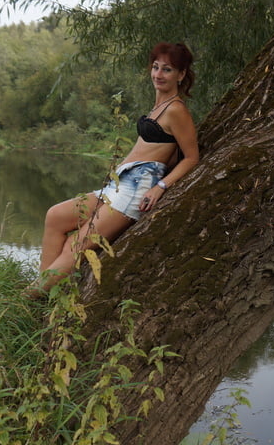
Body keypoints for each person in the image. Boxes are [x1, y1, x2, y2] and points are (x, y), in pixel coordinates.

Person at [27, 42, 199, 298]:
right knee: (55, 216)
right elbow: (149, 147)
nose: (158, 74)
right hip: (120, 184)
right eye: (155, 67)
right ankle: (44, 296)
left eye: (168, 70)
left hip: (134, 191)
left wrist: (160, 188)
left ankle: (27, 300)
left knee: (76, 247)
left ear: (181, 75)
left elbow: (192, 158)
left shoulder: (176, 109)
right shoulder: (158, 106)